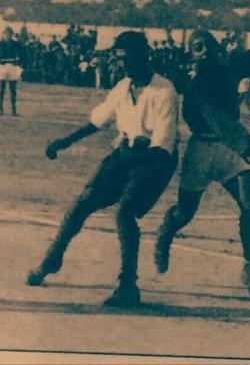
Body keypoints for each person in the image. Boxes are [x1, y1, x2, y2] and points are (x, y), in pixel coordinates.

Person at [26, 31, 179, 308]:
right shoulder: (122, 87)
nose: (124, 65)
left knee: (124, 213)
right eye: (120, 60)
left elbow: (162, 145)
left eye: (129, 59)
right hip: (126, 154)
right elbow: (98, 122)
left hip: (156, 160)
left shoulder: (164, 90)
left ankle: (128, 286)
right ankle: (51, 259)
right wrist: (63, 142)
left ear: (145, 57)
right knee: (82, 202)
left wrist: (135, 174)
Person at [154, 29, 250, 300]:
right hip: (202, 149)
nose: (203, 52)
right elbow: (215, 118)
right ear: (192, 54)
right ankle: (166, 231)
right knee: (184, 212)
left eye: (207, 47)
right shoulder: (194, 84)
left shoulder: (226, 68)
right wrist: (243, 142)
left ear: (215, 49)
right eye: (197, 48)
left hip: (229, 151)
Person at [0, 26, 23, 116]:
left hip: (12, 66)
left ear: (12, 35)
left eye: (10, 34)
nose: (8, 36)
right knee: (2, 88)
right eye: (6, 34)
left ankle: (13, 110)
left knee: (13, 89)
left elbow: (23, 53)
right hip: (3, 66)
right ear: (4, 34)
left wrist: (19, 63)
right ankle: (0, 110)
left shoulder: (16, 44)